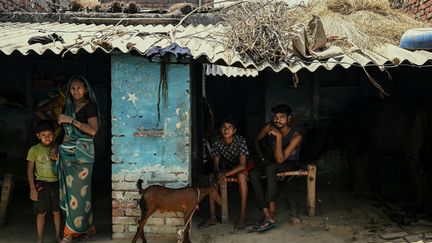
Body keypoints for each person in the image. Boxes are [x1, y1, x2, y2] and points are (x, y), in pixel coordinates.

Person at [51, 76, 99, 243]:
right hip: (67, 155)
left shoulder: (90, 106)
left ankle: (69, 233)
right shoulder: (68, 106)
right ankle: (87, 227)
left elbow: (93, 131)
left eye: (79, 88)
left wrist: (71, 120)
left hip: (82, 157)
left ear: (86, 89)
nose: (76, 91)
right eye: (73, 88)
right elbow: (66, 133)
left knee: (80, 195)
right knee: (69, 193)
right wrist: (57, 147)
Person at [250, 104, 303, 232]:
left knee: (271, 169)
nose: (277, 120)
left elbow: (280, 160)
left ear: (289, 119)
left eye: (282, 117)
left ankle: (272, 212)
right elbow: (256, 140)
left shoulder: (296, 136)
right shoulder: (269, 127)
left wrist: (278, 137)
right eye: (276, 117)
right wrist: (262, 157)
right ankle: (267, 214)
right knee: (253, 174)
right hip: (271, 163)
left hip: (288, 163)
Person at [198, 117, 251, 231]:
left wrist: (225, 174)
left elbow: (242, 165)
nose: (226, 130)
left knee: (241, 176)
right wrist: (219, 173)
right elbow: (216, 164)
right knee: (212, 177)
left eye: (229, 127)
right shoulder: (218, 142)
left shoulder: (240, 140)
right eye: (223, 127)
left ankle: (242, 215)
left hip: (241, 167)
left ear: (234, 130)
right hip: (227, 168)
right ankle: (212, 217)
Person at [26, 120, 61, 243]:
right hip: (41, 183)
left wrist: (57, 148)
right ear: (38, 136)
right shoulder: (34, 150)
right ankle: (39, 239)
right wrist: (32, 188)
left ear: (54, 135)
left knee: (57, 211)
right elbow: (30, 170)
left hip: (56, 183)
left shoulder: (57, 149)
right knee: (41, 212)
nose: (47, 137)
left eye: (50, 134)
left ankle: (58, 236)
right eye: (43, 135)